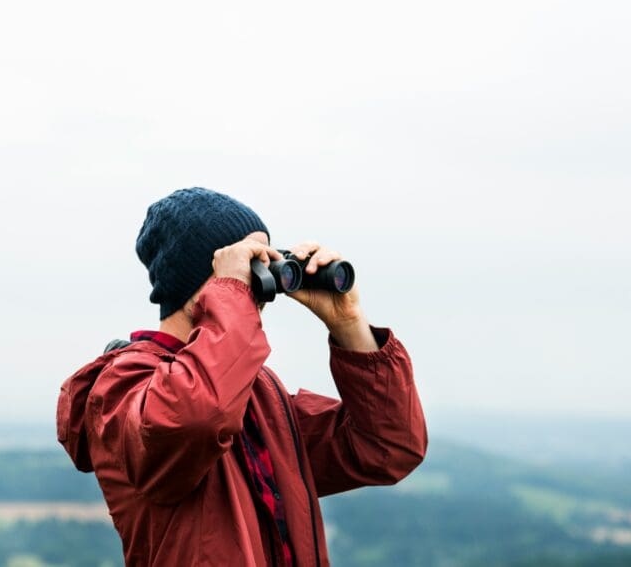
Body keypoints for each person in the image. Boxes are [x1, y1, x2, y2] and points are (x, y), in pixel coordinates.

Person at [57, 187, 428, 566]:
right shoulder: (125, 385)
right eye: (251, 263)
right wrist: (231, 290)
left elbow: (386, 448)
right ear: (201, 278)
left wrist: (349, 324)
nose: (261, 281)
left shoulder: (258, 398)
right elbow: (192, 418)